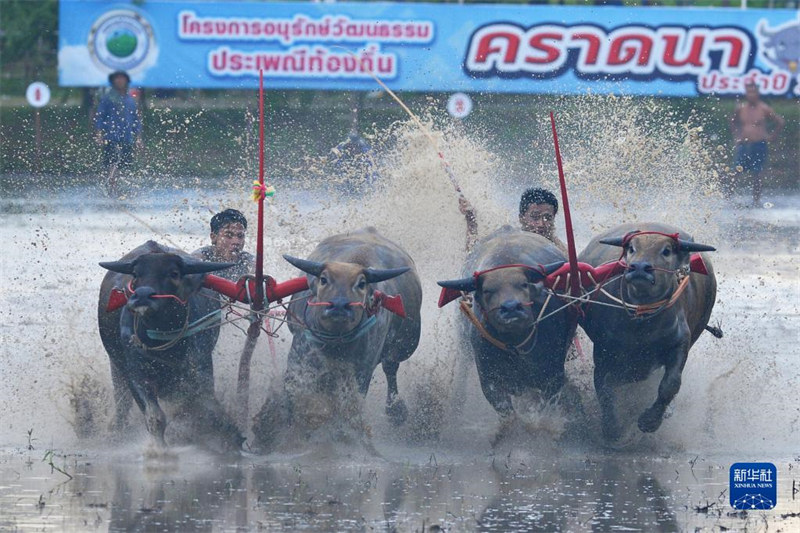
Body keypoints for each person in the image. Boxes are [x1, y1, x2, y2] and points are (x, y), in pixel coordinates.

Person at [459, 187, 566, 253]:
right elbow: (472, 254)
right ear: (521, 218)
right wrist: (471, 221)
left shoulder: (558, 249)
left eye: (548, 218)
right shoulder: (507, 238)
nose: (542, 224)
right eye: (535, 217)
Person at [729, 81, 784, 207]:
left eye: (753, 92)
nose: (751, 95)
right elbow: (732, 122)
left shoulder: (764, 108)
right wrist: (736, 137)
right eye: (749, 92)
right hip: (744, 144)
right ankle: (729, 198)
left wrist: (772, 136)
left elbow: (780, 122)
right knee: (736, 171)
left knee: (757, 174)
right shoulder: (741, 108)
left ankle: (756, 200)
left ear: (758, 93)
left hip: (759, 144)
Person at [94, 70, 142, 195]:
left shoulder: (130, 99)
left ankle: (120, 187)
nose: (119, 81)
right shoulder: (108, 98)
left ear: (126, 81)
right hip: (111, 136)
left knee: (124, 163)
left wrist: (138, 137)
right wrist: (99, 133)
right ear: (113, 81)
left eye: (122, 78)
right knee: (112, 162)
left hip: (126, 137)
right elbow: (100, 116)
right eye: (117, 78)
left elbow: (135, 120)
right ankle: (111, 186)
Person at [193, 209, 255, 282]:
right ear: (213, 237)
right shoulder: (200, 259)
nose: (236, 242)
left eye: (240, 236)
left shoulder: (249, 262)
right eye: (228, 235)